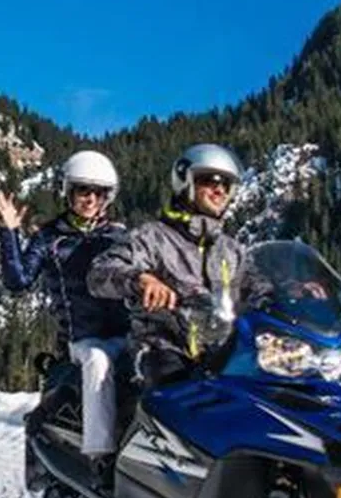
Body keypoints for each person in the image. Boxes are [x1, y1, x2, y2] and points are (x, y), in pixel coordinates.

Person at [0, 150, 129, 480]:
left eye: (98, 192)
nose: (90, 199)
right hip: (83, 339)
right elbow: (18, 281)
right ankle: (101, 457)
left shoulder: (118, 234)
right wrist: (9, 232)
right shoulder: (50, 238)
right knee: (99, 362)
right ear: (68, 191)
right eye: (83, 190)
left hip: (128, 332)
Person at [87, 143, 245, 386]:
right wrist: (140, 279)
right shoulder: (153, 237)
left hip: (223, 353)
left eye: (226, 184)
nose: (219, 190)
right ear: (186, 182)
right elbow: (100, 272)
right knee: (180, 392)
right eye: (210, 181)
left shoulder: (232, 250)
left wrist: (300, 291)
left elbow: (261, 288)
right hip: (162, 350)